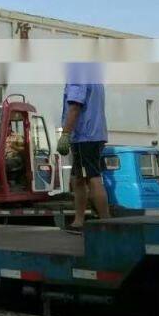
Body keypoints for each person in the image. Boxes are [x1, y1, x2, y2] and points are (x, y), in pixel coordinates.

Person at [57, 76, 110, 231]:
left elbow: (75, 107)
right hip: (95, 134)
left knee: (92, 177)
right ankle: (79, 221)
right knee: (78, 178)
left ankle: (105, 221)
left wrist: (65, 134)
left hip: (84, 136)